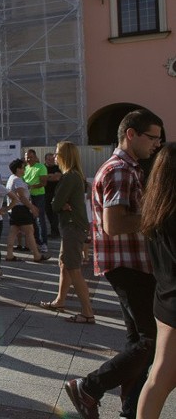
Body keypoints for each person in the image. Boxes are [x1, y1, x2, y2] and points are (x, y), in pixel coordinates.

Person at [65, 109, 163, 419]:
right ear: (131, 134)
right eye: (153, 138)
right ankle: (90, 387)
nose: (157, 145)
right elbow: (114, 223)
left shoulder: (129, 168)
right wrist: (159, 216)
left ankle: (130, 408)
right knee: (152, 340)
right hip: (127, 264)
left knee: (138, 341)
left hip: (128, 263)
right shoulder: (120, 169)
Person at [137, 142, 176, 419]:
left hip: (164, 298)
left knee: (160, 376)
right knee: (161, 377)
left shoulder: (157, 210)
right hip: (173, 302)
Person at [39, 141, 94, 323]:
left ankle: (87, 313)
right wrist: (62, 203)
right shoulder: (75, 175)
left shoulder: (69, 176)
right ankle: (59, 301)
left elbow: (54, 204)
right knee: (64, 264)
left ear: (64, 156)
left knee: (73, 268)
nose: (55, 156)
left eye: (57, 153)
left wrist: (60, 203)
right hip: (72, 225)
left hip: (72, 226)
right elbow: (60, 203)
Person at [5, 159, 49, 263]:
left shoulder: (12, 178)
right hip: (20, 209)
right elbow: (22, 197)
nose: (25, 169)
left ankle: (9, 254)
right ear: (18, 169)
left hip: (14, 209)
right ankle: (36, 255)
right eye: (23, 167)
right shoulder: (18, 180)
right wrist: (32, 207)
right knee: (29, 231)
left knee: (13, 231)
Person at [44, 152, 62, 238]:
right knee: (48, 213)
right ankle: (54, 231)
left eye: (52, 159)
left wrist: (47, 177)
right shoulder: (42, 167)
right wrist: (51, 176)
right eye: (49, 159)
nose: (51, 161)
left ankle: (55, 232)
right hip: (45, 193)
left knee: (55, 213)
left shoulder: (57, 167)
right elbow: (41, 178)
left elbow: (57, 177)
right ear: (45, 160)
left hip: (56, 193)